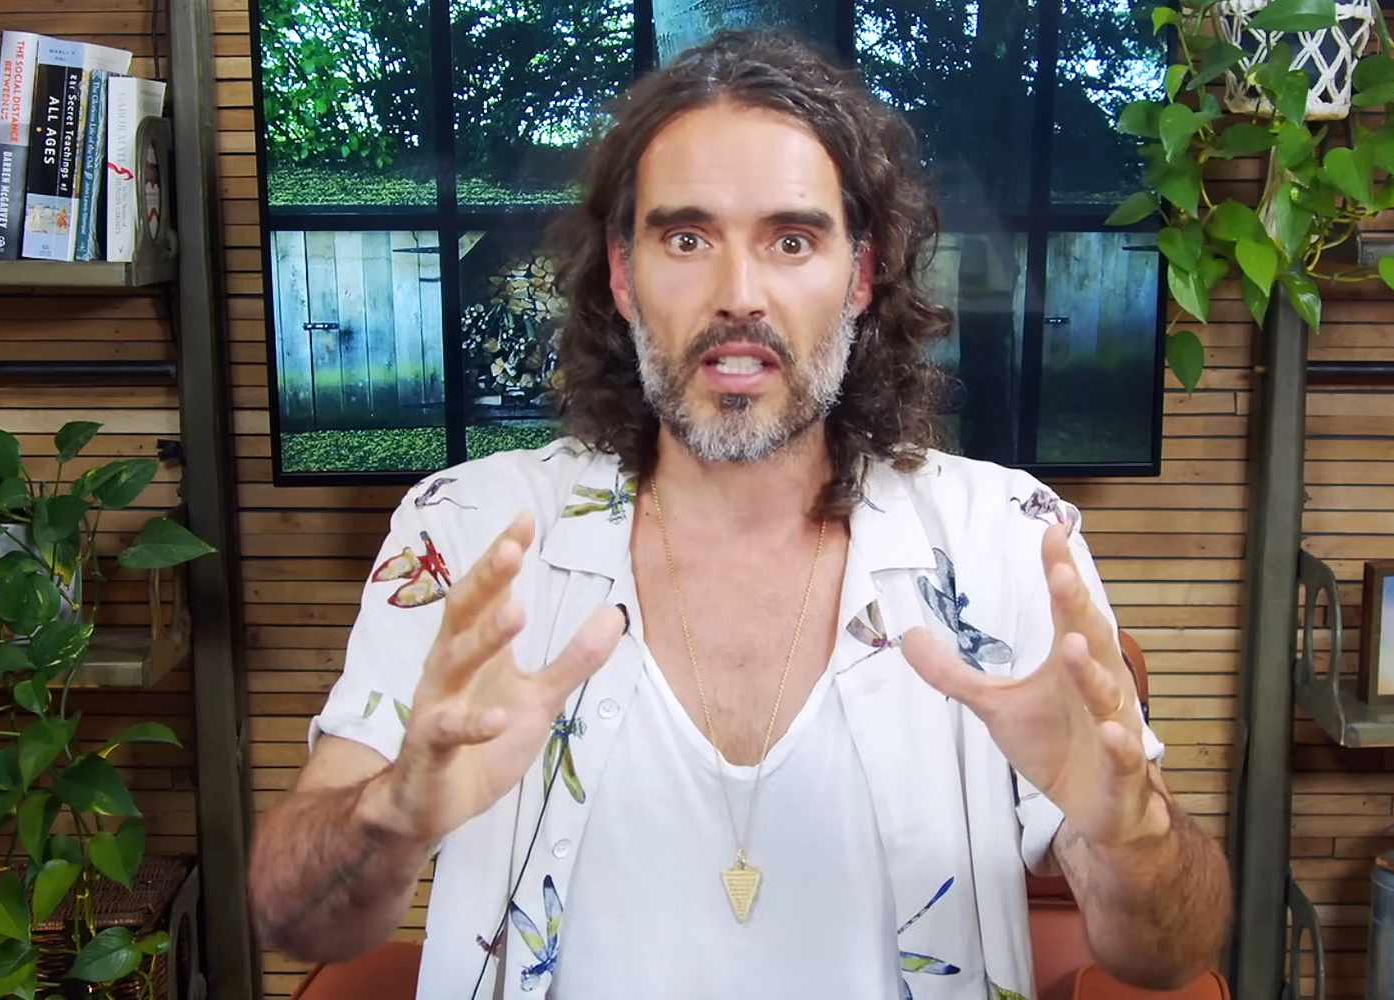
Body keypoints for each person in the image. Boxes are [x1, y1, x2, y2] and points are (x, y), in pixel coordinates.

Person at [248, 29, 1232, 1000]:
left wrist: (1132, 835)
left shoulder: (1010, 539)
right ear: (623, 275)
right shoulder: (468, 533)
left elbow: (1165, 954)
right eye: (687, 238)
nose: (739, 295)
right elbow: (299, 919)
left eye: (791, 240)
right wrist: (392, 816)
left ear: (860, 276)